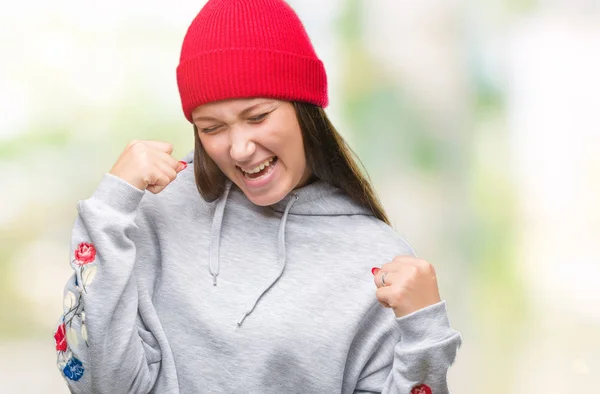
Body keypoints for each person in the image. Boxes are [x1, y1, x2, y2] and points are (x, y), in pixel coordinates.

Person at [53, 0, 461, 393]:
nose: (240, 149)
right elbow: (97, 384)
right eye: (212, 127)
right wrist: (108, 208)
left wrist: (424, 333)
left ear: (304, 109)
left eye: (258, 117)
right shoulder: (155, 214)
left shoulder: (375, 258)